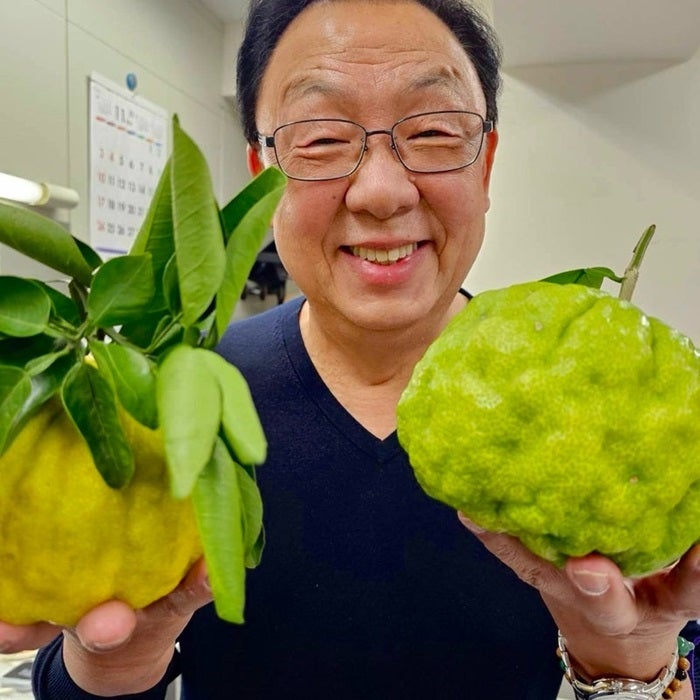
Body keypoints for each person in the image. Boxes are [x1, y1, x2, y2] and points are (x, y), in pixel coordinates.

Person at [3, 0, 698, 697]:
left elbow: (670, 657)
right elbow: (83, 666)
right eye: (322, 140)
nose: (381, 191)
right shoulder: (179, 404)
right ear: (263, 175)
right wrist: (117, 668)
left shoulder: (602, 418)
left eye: (431, 131)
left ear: (485, 164)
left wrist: (628, 664)